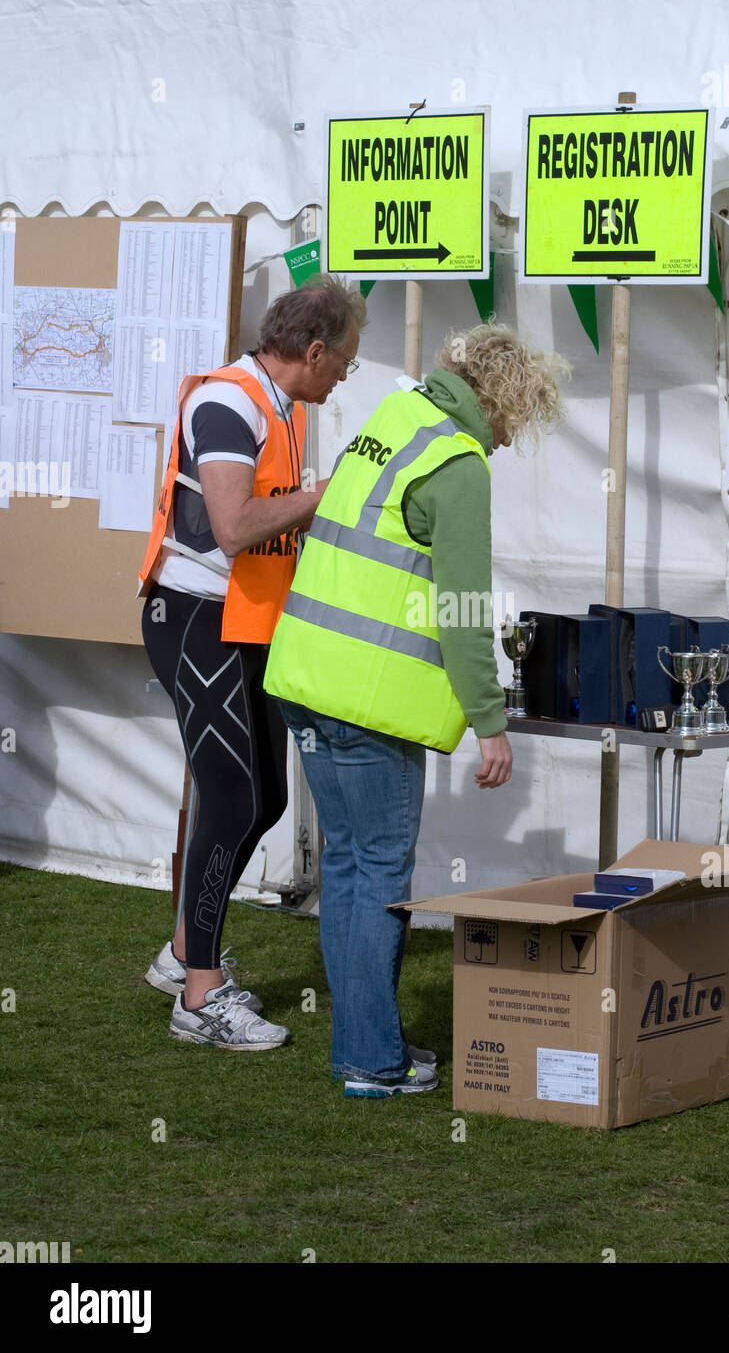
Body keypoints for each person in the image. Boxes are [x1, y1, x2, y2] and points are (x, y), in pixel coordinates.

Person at [263, 322, 569, 1094]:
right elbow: (463, 608)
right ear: (495, 399)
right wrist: (489, 723)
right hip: (369, 703)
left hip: (305, 680)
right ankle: (372, 1061)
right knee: (379, 876)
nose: (506, 439)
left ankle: (360, 1048)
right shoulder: (458, 465)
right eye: (512, 420)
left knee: (346, 869)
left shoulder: (391, 420)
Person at [139, 274, 367, 1050]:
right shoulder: (229, 400)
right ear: (312, 351)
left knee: (264, 800)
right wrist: (329, 495)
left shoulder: (280, 406)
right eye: (346, 361)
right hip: (196, 618)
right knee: (233, 799)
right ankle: (199, 994)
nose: (345, 375)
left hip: (249, 620)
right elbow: (235, 527)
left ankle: (181, 955)